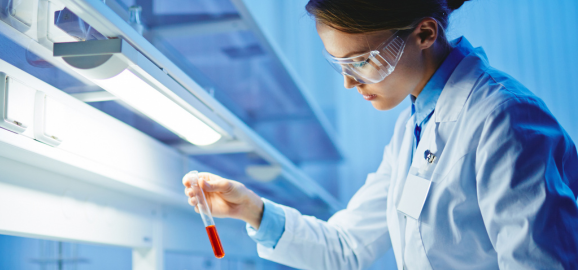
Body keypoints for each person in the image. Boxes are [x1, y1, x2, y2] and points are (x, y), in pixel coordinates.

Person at [182, 0, 578, 269]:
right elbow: (346, 247)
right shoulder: (414, 127)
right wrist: (251, 210)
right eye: (338, 63)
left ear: (425, 33)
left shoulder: (503, 119)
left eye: (363, 61)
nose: (349, 83)